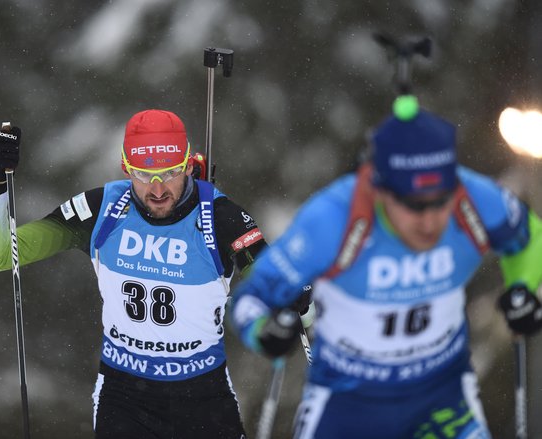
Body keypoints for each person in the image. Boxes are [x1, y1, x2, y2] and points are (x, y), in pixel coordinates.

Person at [230, 106, 542, 438]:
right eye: (414, 205)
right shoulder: (333, 218)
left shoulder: (474, 199)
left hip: (440, 397)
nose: (430, 220)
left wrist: (522, 288)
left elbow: (530, 237)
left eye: (441, 200)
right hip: (349, 400)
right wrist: (265, 331)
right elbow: (250, 299)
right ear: (381, 190)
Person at [0, 109, 269, 438]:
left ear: (188, 164)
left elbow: (275, 284)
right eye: (143, 175)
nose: (157, 189)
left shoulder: (220, 216)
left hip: (203, 396)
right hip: (125, 397)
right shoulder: (102, 209)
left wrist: (295, 299)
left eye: (170, 173)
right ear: (126, 168)